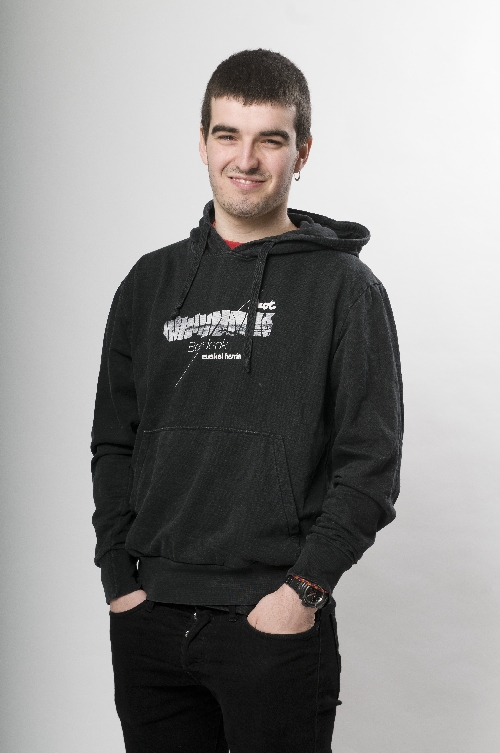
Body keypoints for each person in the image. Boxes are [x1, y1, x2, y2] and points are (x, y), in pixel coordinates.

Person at [90, 48, 404, 753]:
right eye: (228, 134)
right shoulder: (148, 283)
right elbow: (114, 441)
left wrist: (303, 592)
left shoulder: (347, 291)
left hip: (272, 624)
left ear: (302, 152)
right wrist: (118, 578)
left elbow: (371, 464)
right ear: (203, 142)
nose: (247, 159)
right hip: (150, 621)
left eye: (271, 139)